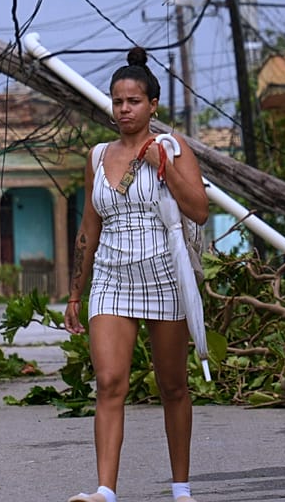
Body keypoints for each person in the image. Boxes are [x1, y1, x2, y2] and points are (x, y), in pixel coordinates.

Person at [65, 47, 208, 502]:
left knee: (172, 385)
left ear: (152, 106)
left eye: (133, 101)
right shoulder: (97, 156)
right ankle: (105, 490)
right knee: (109, 382)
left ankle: (181, 487)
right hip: (111, 277)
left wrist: (161, 166)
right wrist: (75, 294)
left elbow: (200, 211)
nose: (124, 109)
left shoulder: (171, 147)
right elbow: (89, 228)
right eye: (117, 101)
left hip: (165, 274)